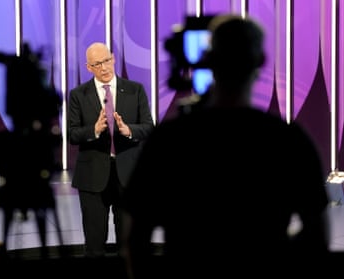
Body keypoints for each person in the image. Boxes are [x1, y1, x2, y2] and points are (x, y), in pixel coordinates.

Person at [121, 14, 330, 278]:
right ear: (260, 62)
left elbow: (136, 238)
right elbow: (317, 236)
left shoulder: (170, 140)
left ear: (208, 60)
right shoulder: (288, 140)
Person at [67, 42, 154, 258]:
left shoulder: (135, 90)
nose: (104, 68)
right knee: (95, 245)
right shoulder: (78, 94)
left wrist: (128, 130)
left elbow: (148, 127)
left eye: (106, 61)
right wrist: (94, 130)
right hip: (92, 177)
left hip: (129, 176)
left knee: (129, 244)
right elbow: (72, 134)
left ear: (113, 58)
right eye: (97, 64)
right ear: (89, 67)